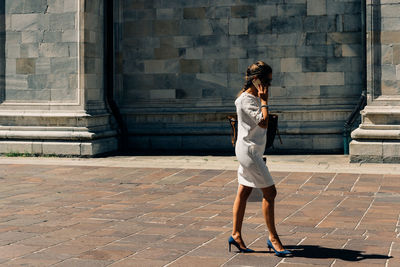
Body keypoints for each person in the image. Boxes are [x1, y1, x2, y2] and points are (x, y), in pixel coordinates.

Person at [228, 61, 291, 257]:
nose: (269, 85)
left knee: (244, 191)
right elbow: (263, 123)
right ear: (255, 80)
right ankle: (273, 239)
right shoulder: (246, 99)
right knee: (270, 192)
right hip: (249, 152)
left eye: (270, 82)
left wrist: (262, 100)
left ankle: (236, 235)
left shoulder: (252, 97)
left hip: (251, 150)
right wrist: (264, 101)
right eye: (266, 81)